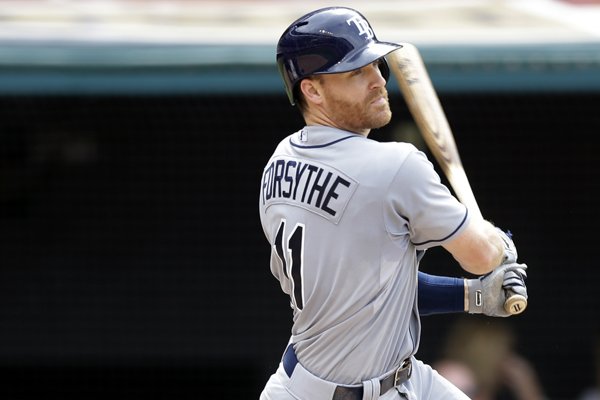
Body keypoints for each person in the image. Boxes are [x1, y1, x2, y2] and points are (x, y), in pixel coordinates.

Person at [258, 7, 528, 400]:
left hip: (349, 378)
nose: (378, 80)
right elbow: (483, 257)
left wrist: (473, 296)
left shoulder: (278, 163)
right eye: (356, 72)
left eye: (375, 65)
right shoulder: (395, 166)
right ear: (312, 90)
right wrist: (498, 244)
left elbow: (369, 290)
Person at [434, 317, 547, 400]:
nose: (510, 359)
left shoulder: (484, 388)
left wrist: (527, 388)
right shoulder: (455, 376)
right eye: (507, 350)